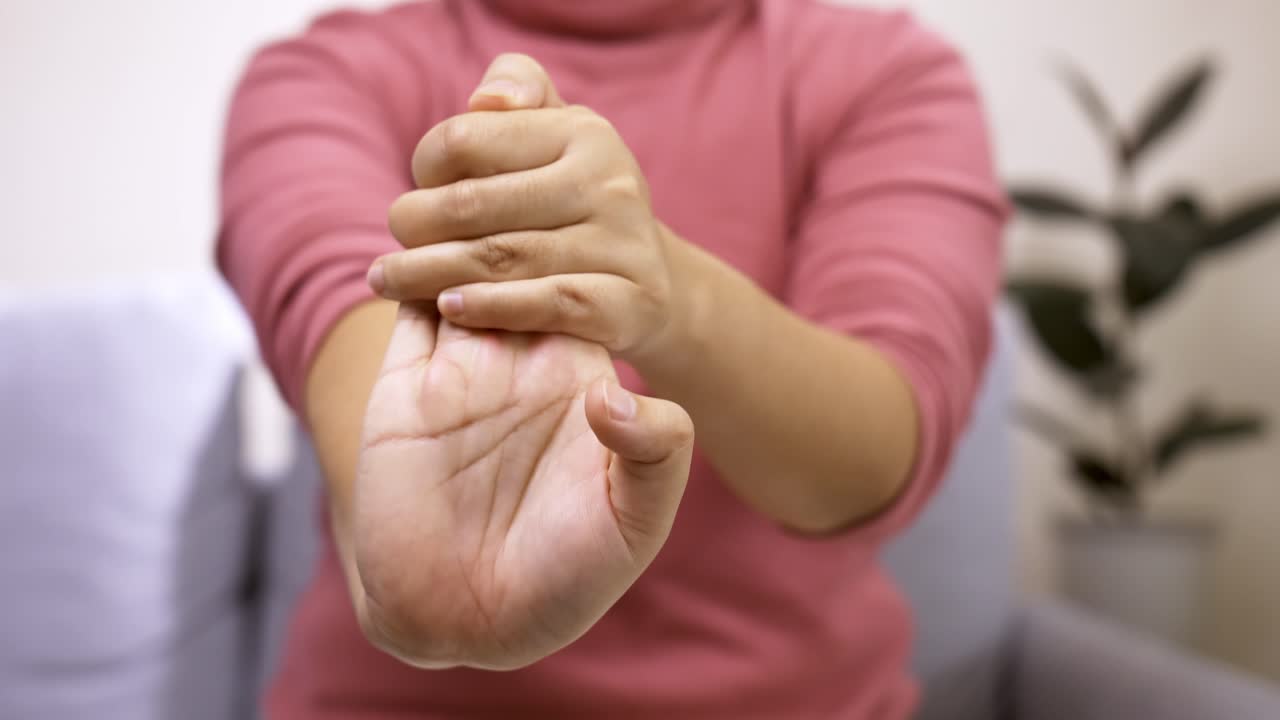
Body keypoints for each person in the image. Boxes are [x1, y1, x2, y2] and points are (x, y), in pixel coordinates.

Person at [218, 0, 1005, 717]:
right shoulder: (322, 77)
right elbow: (335, 307)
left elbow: (877, 447)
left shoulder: (890, 74)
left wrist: (663, 295)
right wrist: (440, 537)